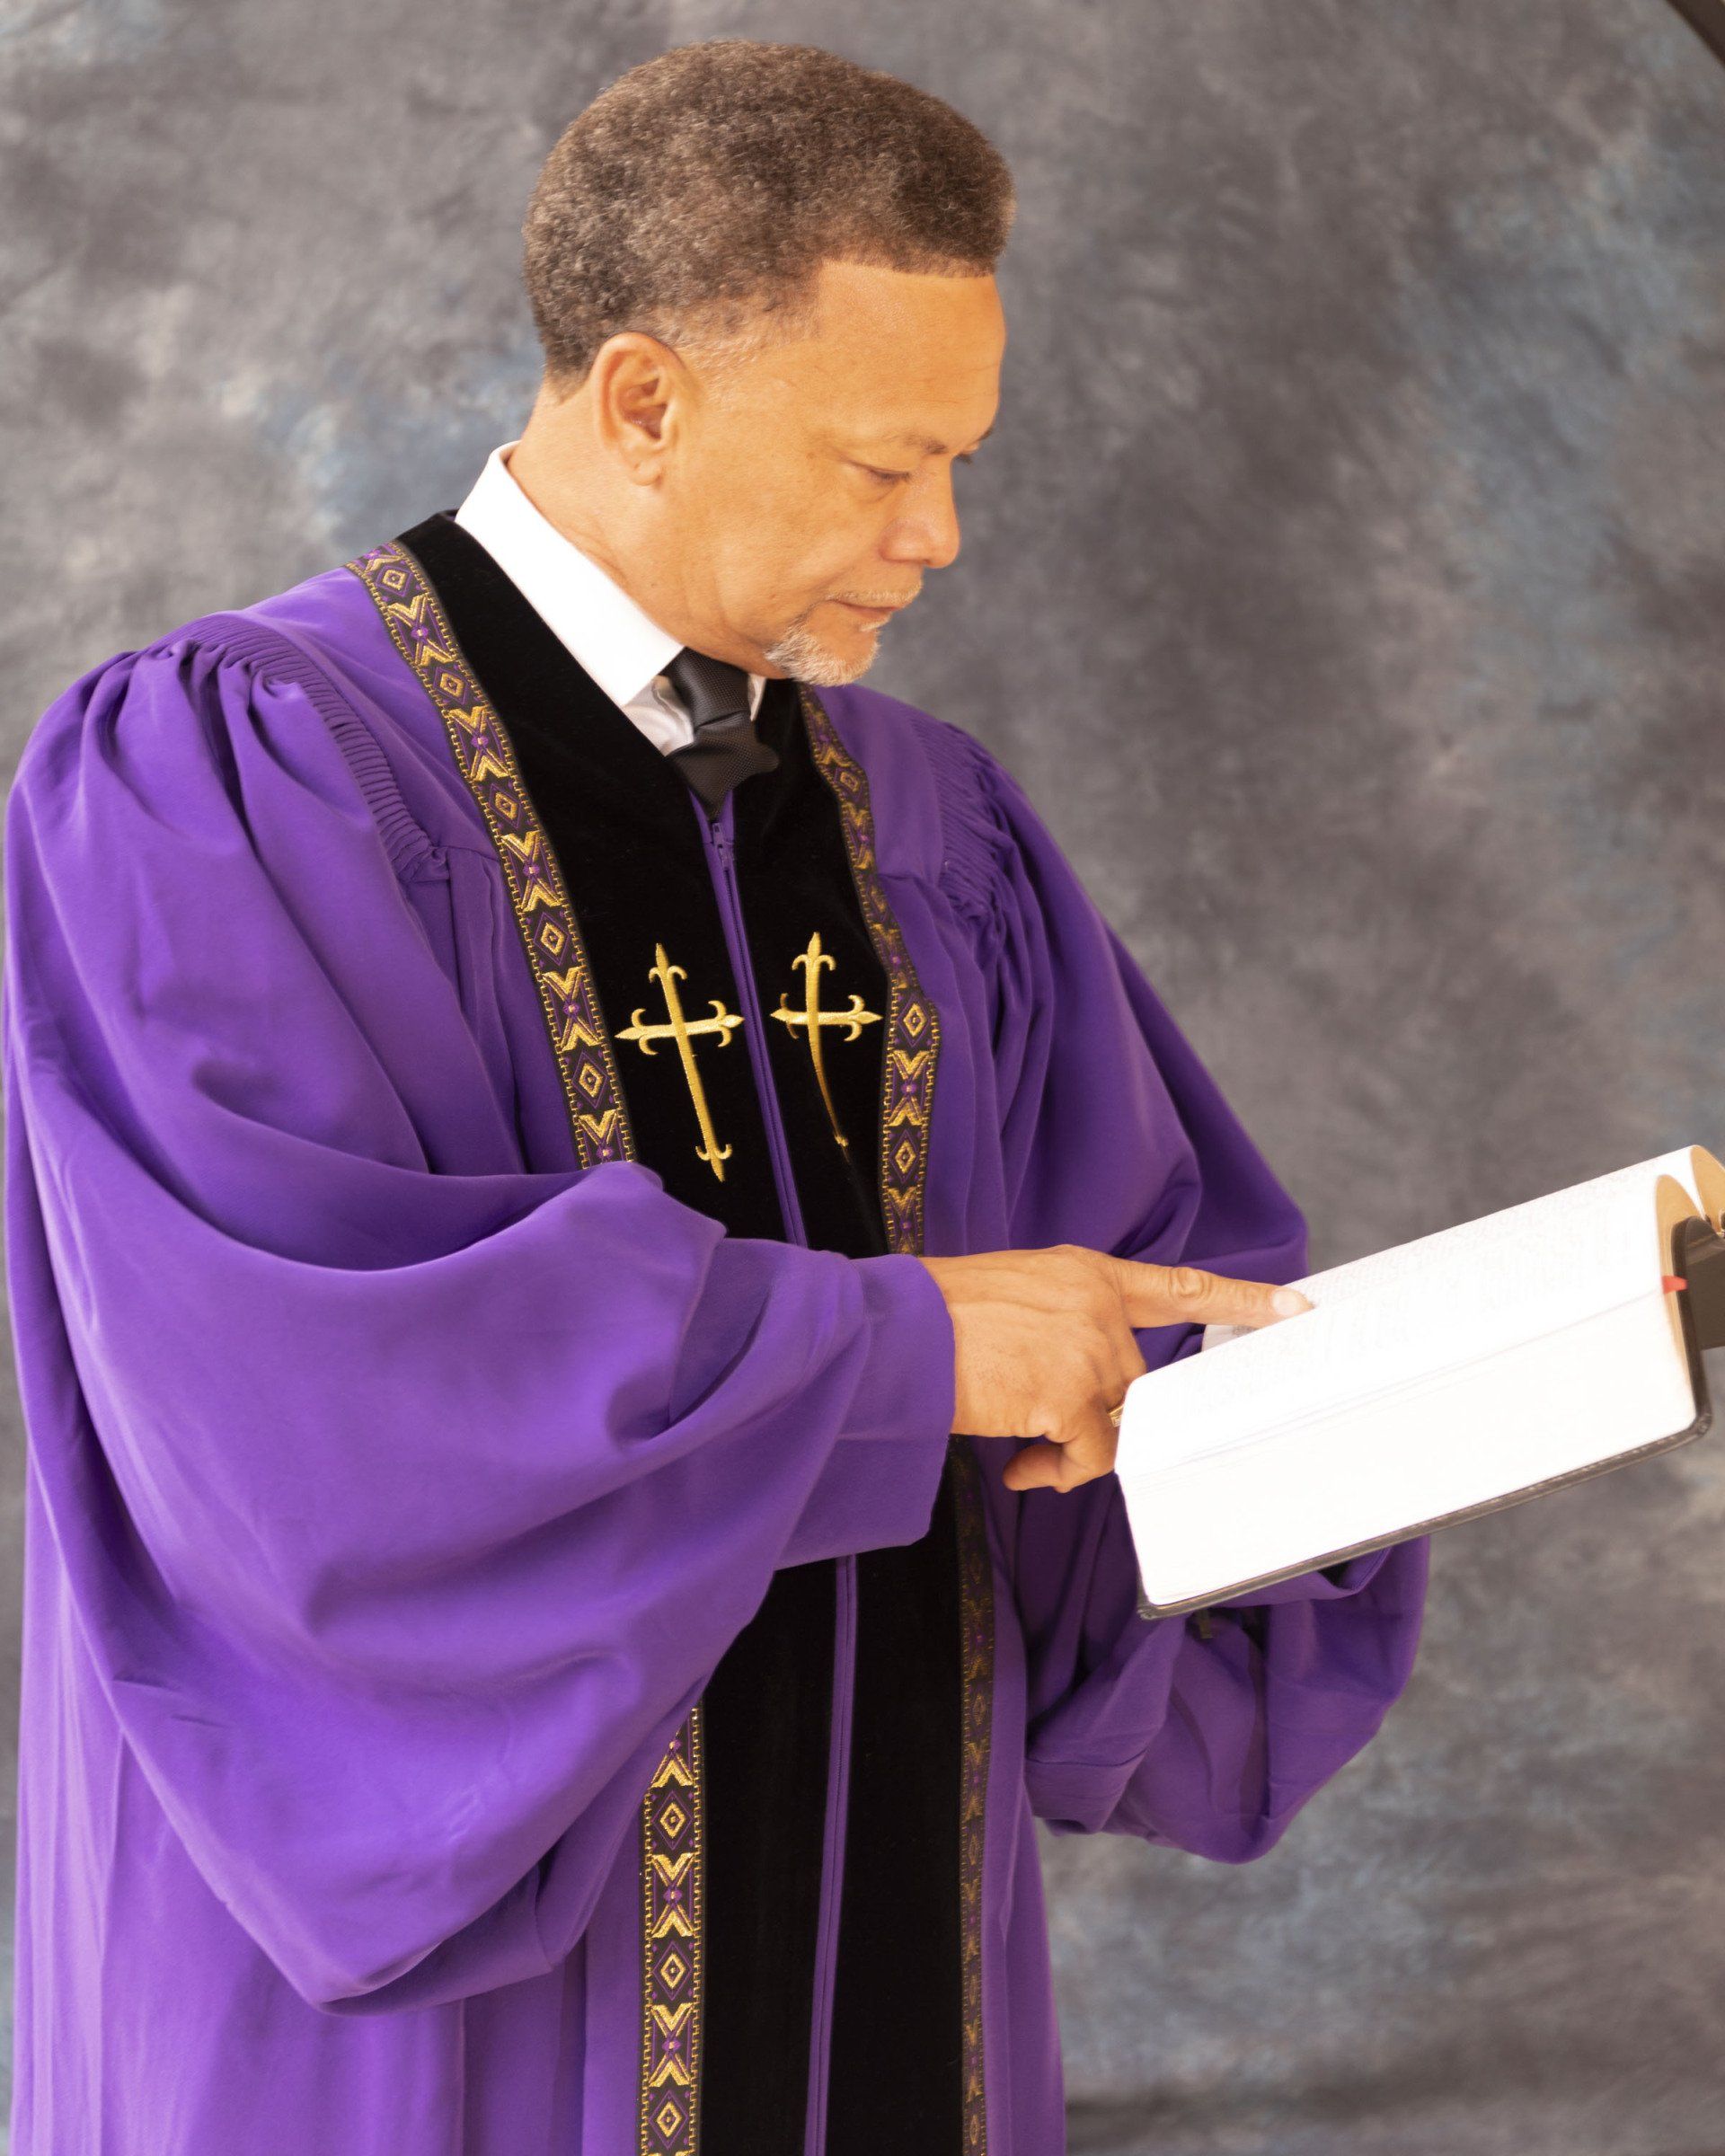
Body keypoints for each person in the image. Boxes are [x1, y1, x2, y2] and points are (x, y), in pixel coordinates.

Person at [1, 35, 1429, 2156]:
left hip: (892, 1968)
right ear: (646, 400)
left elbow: (1137, 1298)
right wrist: (903, 1350)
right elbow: (309, 1406)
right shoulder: (229, 784)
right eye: (880, 465)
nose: (941, 534)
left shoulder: (929, 826)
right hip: (444, 2037)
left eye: (964, 459)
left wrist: (1404, 1402)